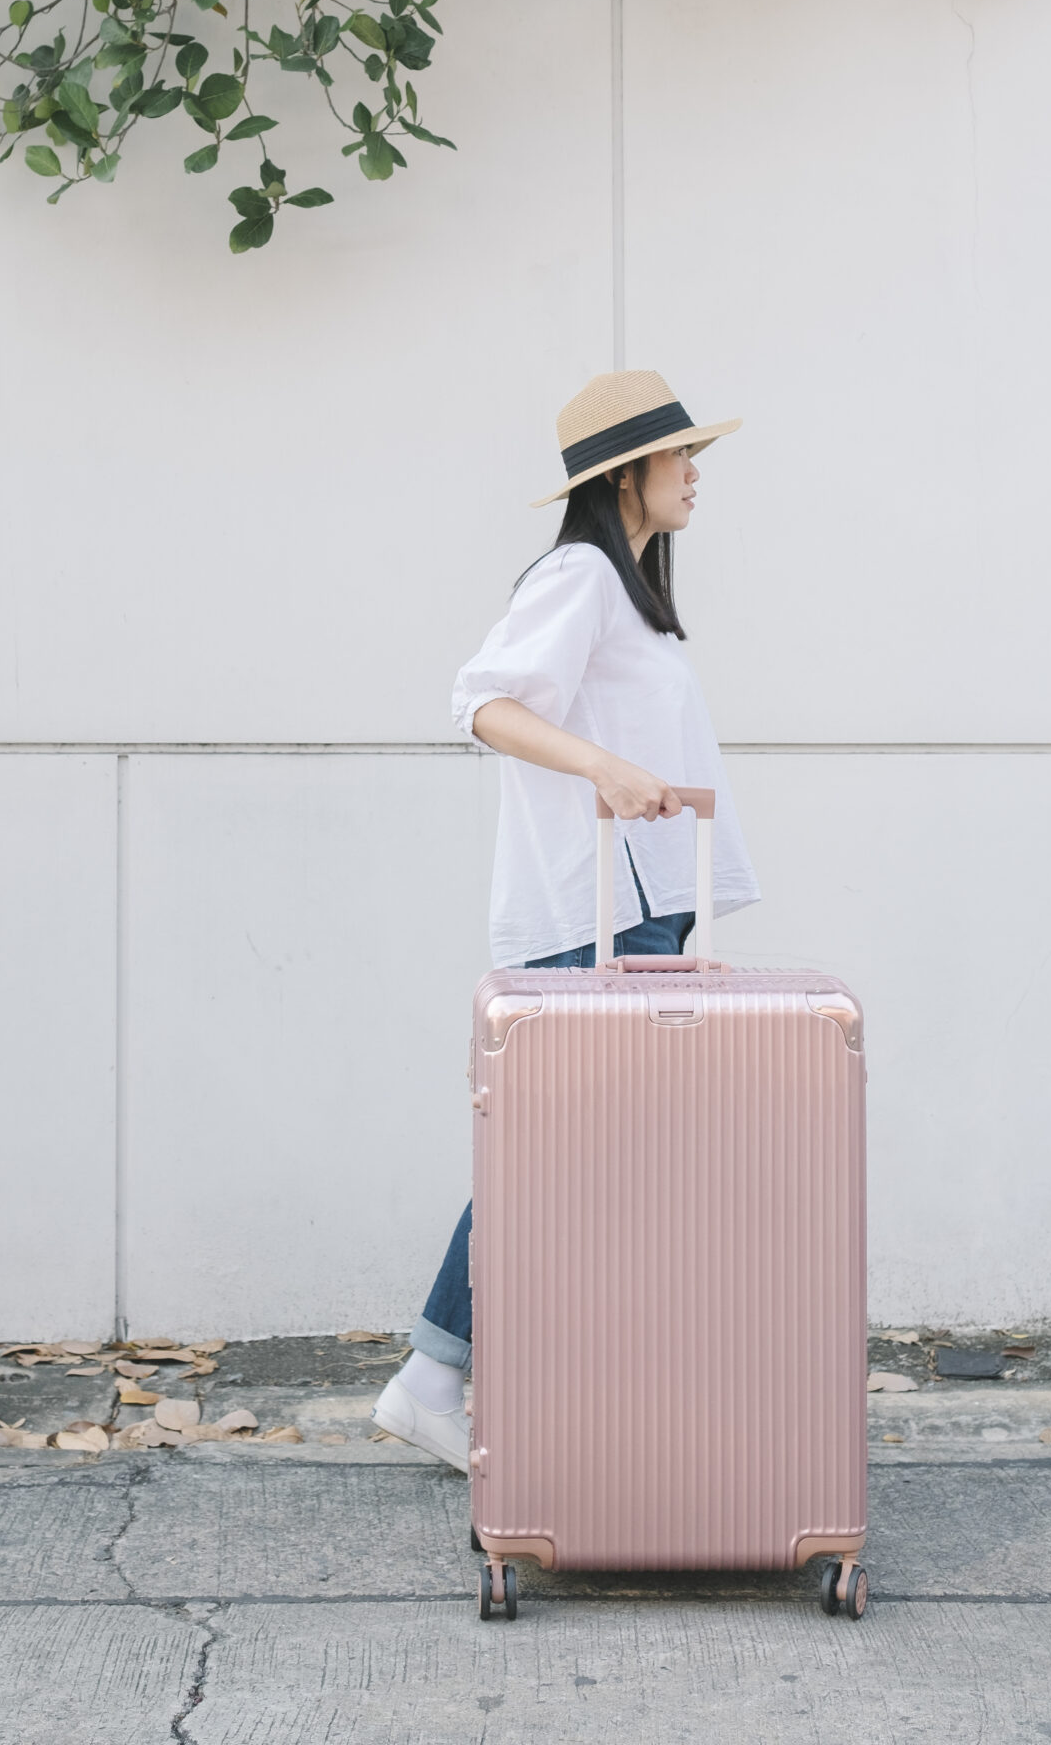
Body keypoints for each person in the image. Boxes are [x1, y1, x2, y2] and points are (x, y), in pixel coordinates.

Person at [372, 369, 762, 1468]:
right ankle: (434, 1372)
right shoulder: (580, 574)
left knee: (589, 1163)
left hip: (639, 917)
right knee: (548, 1155)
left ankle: (522, 1378)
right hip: (592, 920)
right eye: (682, 456)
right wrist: (604, 767)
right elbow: (481, 701)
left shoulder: (628, 592)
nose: (697, 475)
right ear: (627, 471)